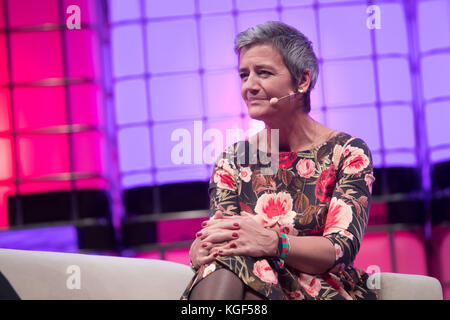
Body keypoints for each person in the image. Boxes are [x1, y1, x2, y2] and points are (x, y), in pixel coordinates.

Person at [181, 21, 377, 300]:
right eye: (243, 75)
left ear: (302, 81)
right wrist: (199, 249)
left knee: (237, 270)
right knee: (227, 263)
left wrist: (274, 243)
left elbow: (340, 249)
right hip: (243, 279)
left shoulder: (347, 152)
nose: (249, 86)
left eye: (263, 73)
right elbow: (221, 242)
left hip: (320, 287)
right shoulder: (233, 160)